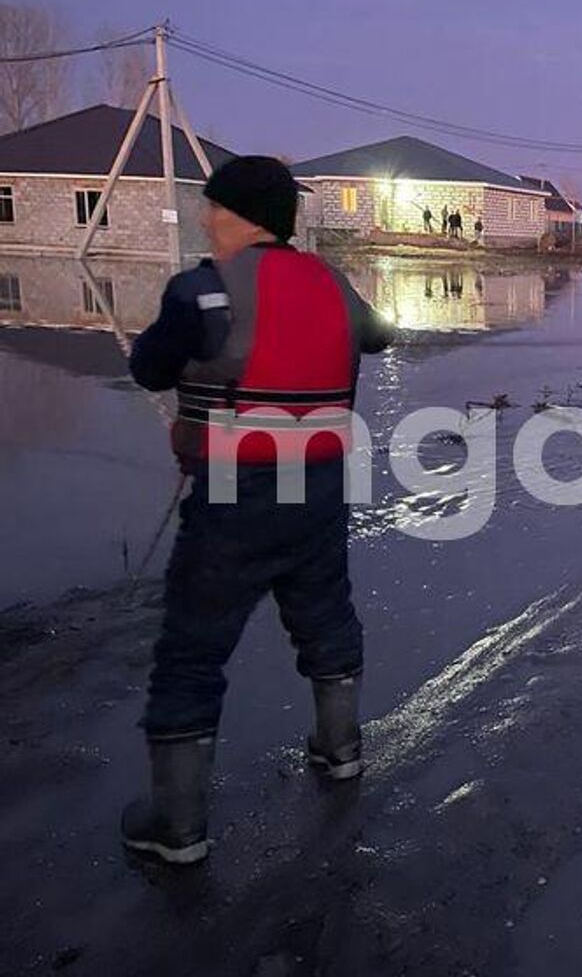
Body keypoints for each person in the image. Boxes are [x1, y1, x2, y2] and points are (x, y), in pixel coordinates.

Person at [122, 155, 396, 865]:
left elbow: (147, 368)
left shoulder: (202, 293)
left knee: (190, 654)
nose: (206, 219)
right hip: (321, 495)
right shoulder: (333, 285)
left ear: (240, 215)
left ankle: (178, 828)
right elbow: (382, 336)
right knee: (327, 617)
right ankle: (340, 752)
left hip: (232, 500)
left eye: (213, 208)